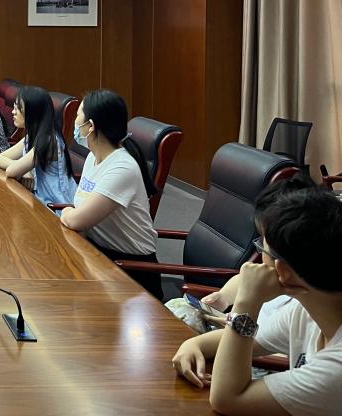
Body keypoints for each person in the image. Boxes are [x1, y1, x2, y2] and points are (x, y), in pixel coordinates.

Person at [172, 175, 342, 415]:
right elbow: (252, 340)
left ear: (282, 270)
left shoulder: (335, 370)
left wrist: (246, 302)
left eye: (262, 247)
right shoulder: (306, 309)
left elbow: (226, 399)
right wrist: (194, 343)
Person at [59, 89, 161, 298]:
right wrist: (71, 214)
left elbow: (77, 220)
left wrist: (67, 212)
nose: (75, 122)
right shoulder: (93, 157)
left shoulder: (122, 168)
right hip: (98, 255)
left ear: (90, 125)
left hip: (132, 273)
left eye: (78, 115)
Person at [0, 85, 77, 206]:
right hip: (40, 200)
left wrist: (20, 168)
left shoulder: (48, 141)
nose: (13, 112)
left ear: (32, 112)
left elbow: (11, 171)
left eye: (18, 108)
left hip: (57, 207)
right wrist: (24, 171)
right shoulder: (33, 136)